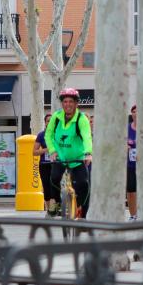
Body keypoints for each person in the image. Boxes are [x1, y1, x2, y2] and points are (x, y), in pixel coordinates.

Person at [44, 88, 92, 218]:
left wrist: (88, 153)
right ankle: (56, 203)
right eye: (65, 101)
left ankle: (83, 216)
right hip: (60, 157)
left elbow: (87, 137)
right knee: (54, 178)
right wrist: (52, 151)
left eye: (71, 101)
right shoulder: (56, 117)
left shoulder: (82, 119)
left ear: (76, 104)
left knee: (84, 185)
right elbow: (48, 135)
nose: (68, 104)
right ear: (62, 103)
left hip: (77, 159)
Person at [33, 113, 52, 210]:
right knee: (46, 186)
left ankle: (56, 207)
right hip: (44, 164)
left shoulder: (58, 134)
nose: (50, 122)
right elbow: (34, 152)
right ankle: (49, 209)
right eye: (48, 120)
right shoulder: (41, 135)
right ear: (45, 123)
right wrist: (45, 150)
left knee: (55, 185)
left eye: (51, 120)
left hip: (56, 163)